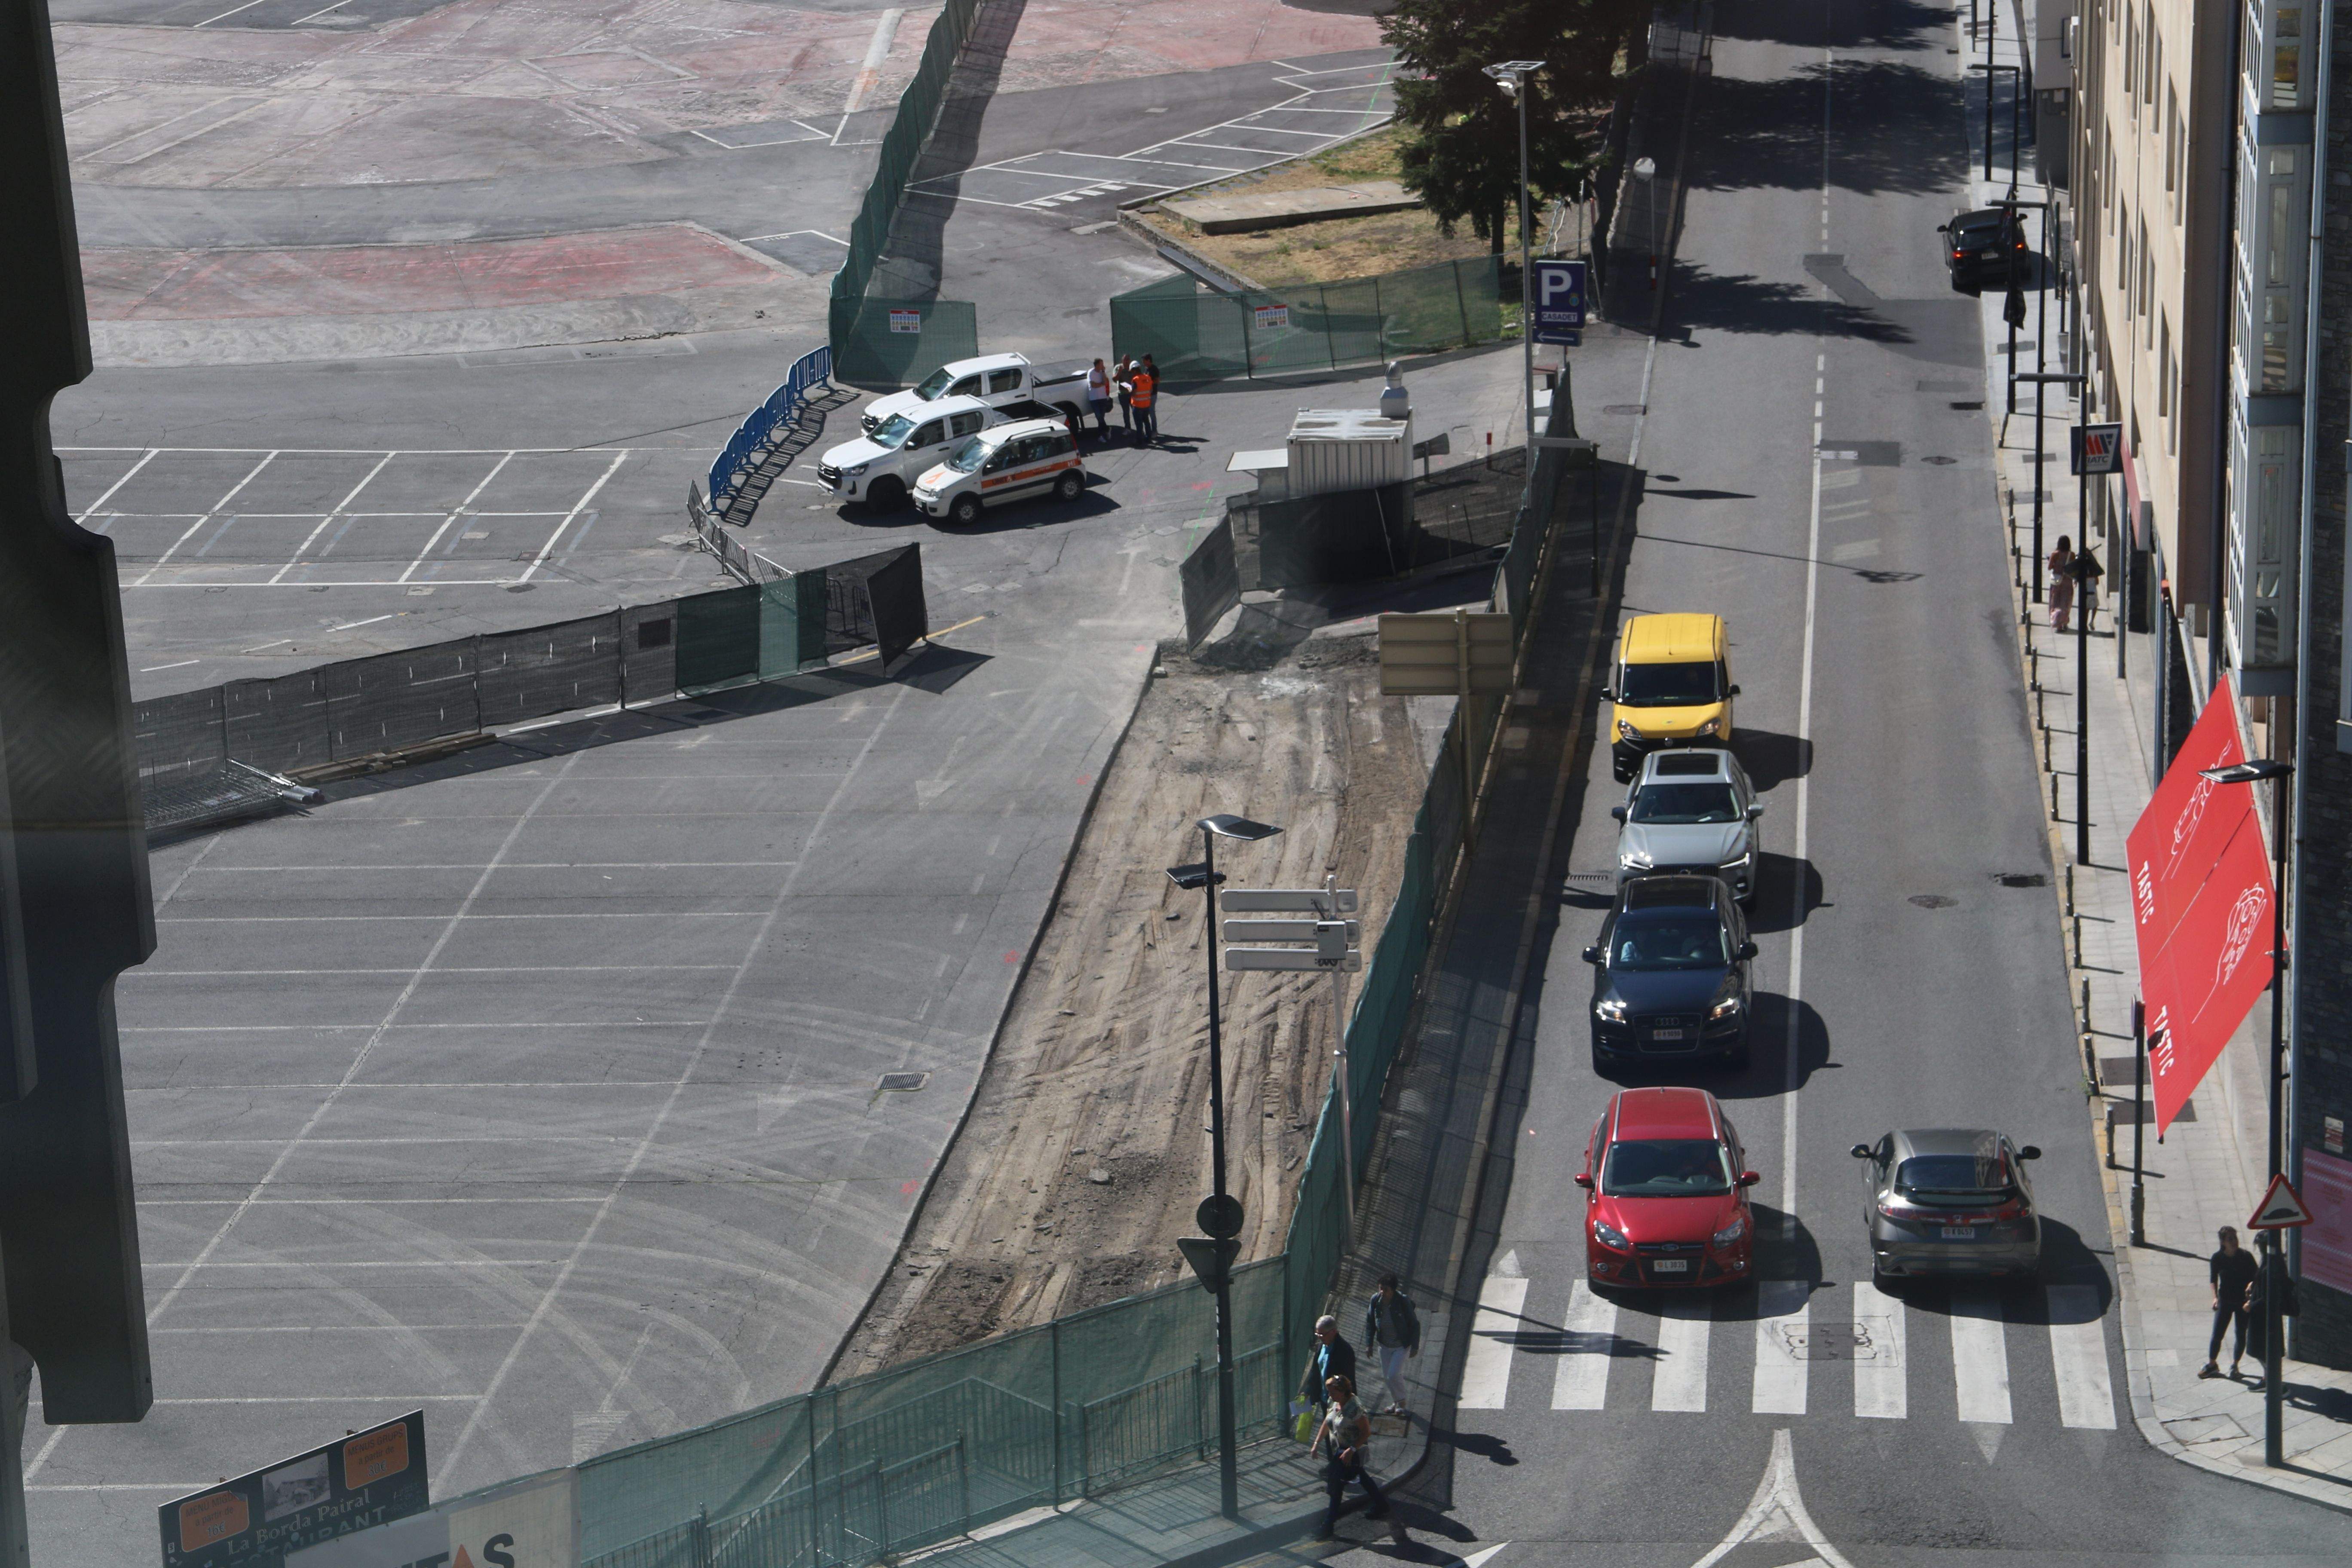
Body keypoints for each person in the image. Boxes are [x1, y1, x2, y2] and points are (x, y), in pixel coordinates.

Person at [1311, 1374, 1395, 1540]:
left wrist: (1351, 1450)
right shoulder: (1334, 1402)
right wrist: (1316, 1443)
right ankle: (1382, 1505)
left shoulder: (1355, 1408)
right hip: (1339, 1451)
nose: (1330, 1396)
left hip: (1351, 1454)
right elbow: (1327, 1422)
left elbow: (1366, 1432)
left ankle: (1328, 1526)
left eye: (1333, 1393)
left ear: (1343, 1392)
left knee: (1337, 1489)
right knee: (1362, 1477)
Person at [2201, 1225, 2258, 1380]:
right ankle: (2212, 1364)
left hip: (2242, 1302)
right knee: (2218, 1334)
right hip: (2225, 1300)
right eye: (2230, 1239)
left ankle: (2235, 1365)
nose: (2235, 1242)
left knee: (2241, 1334)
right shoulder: (2217, 1258)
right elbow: (2214, 1279)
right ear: (2223, 1242)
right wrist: (2215, 1298)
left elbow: (2257, 1276)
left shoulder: (2246, 1257)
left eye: (2236, 1238)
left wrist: (2251, 1287)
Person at [1362, 1273, 1421, 1416]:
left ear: (1393, 1290)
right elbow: (1370, 1322)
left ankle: (1402, 1402)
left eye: (1386, 1289)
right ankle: (1397, 1402)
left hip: (1401, 1345)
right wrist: (1369, 1344)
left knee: (1393, 1374)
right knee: (1387, 1376)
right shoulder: (1376, 1300)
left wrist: (1415, 1346)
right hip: (1384, 1345)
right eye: (1381, 1288)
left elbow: (1414, 1324)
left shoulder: (1402, 1301)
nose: (1383, 1292)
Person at [1298, 1314, 1356, 1413]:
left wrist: (1342, 1403)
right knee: (1327, 1425)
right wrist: (1308, 1391)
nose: (1320, 1338)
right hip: (1325, 1399)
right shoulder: (1322, 1347)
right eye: (1318, 1334)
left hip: (1339, 1402)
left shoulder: (1345, 1351)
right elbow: (1316, 1370)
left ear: (1333, 1332)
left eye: (1322, 1335)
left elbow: (1348, 1379)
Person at [2067, 545, 2106, 633]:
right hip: (2091, 586)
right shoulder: (2091, 566)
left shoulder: (2083, 566)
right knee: (2093, 606)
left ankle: (2086, 625)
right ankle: (2091, 622)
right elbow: (2097, 580)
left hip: (2086, 586)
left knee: (2087, 608)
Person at [2047, 536, 2076, 631]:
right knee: (2066, 602)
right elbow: (2073, 567)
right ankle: (2065, 622)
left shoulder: (2055, 554)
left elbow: (2050, 567)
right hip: (2067, 581)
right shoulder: (2071, 555)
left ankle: (2057, 623)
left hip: (2057, 581)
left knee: (2056, 602)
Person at [1130, 355, 1159, 445]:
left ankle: (1140, 441)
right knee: (1147, 422)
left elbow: (1134, 393)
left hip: (1138, 405)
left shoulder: (1135, 380)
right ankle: (1149, 438)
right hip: (1146, 405)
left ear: (1134, 370)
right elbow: (1150, 390)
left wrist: (1130, 391)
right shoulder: (1148, 378)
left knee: (1139, 424)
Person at [1085, 358, 1114, 441]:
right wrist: (1102, 384)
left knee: (1101, 417)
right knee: (1099, 416)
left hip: (1103, 398)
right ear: (1097, 365)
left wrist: (1104, 372)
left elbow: (1106, 382)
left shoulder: (1102, 373)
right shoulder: (1091, 373)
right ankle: (1107, 429)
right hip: (1094, 398)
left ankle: (1101, 435)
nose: (1103, 366)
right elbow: (1093, 385)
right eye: (1101, 364)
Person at [1112, 355, 1136, 440]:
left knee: (1136, 411)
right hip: (1123, 394)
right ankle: (1128, 428)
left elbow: (1136, 379)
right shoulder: (1118, 368)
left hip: (1132, 394)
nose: (1126, 361)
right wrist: (1119, 372)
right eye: (1125, 360)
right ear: (1122, 361)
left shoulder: (1132, 368)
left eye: (1128, 360)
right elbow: (1115, 379)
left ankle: (1139, 428)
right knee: (1126, 412)